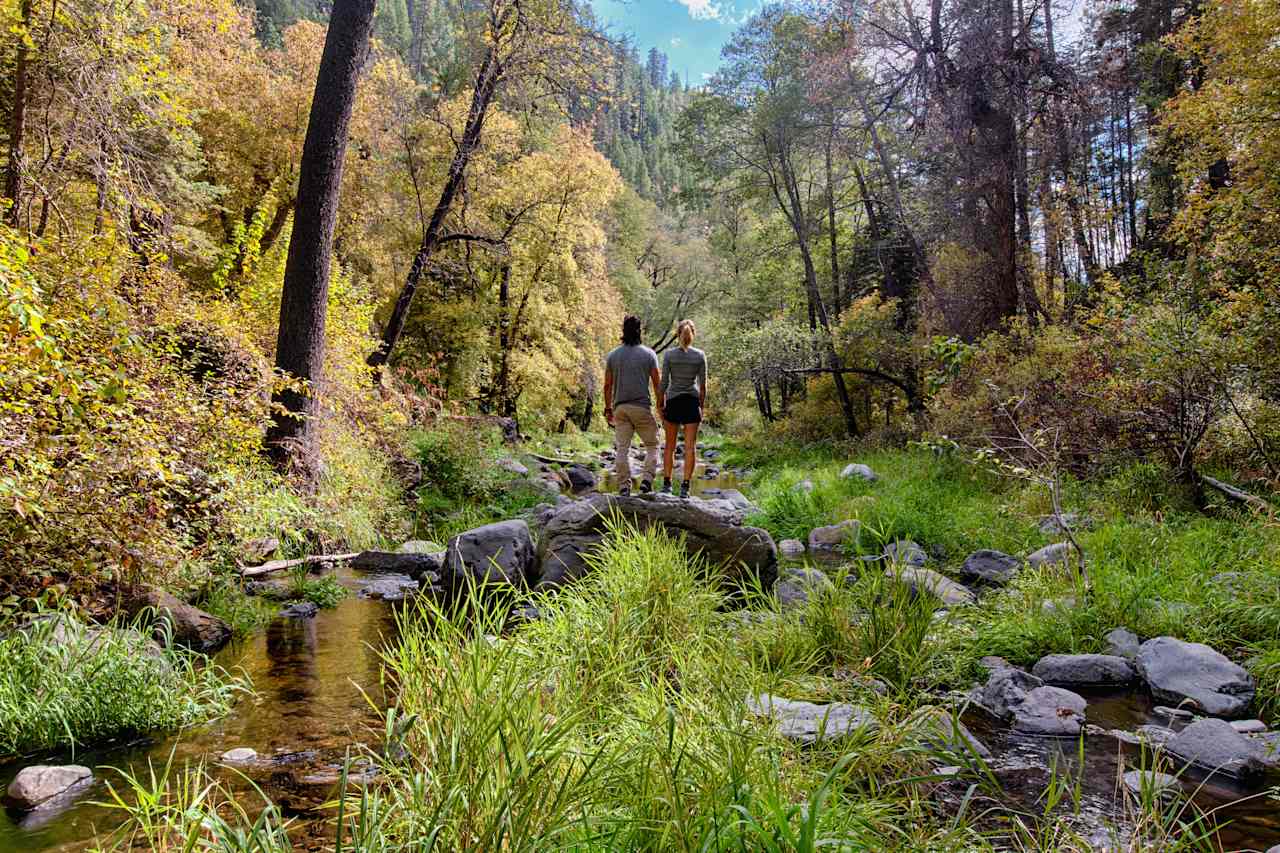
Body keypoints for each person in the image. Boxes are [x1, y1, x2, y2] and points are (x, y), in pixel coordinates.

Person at [603, 315, 664, 496]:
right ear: (640, 331)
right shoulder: (649, 354)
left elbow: (607, 385)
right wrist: (661, 407)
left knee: (622, 448)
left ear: (623, 331)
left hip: (620, 409)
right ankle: (646, 480)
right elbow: (657, 384)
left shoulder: (613, 355)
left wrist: (608, 409)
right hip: (641, 407)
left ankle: (623, 487)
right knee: (653, 446)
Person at [660, 319, 708, 497]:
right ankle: (685, 488)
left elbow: (664, 383)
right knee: (690, 447)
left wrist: (660, 404)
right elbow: (703, 386)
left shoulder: (669, 355)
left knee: (670, 447)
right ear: (692, 335)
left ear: (677, 334)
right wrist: (700, 407)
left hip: (673, 401)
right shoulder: (700, 355)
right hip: (691, 402)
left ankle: (666, 485)